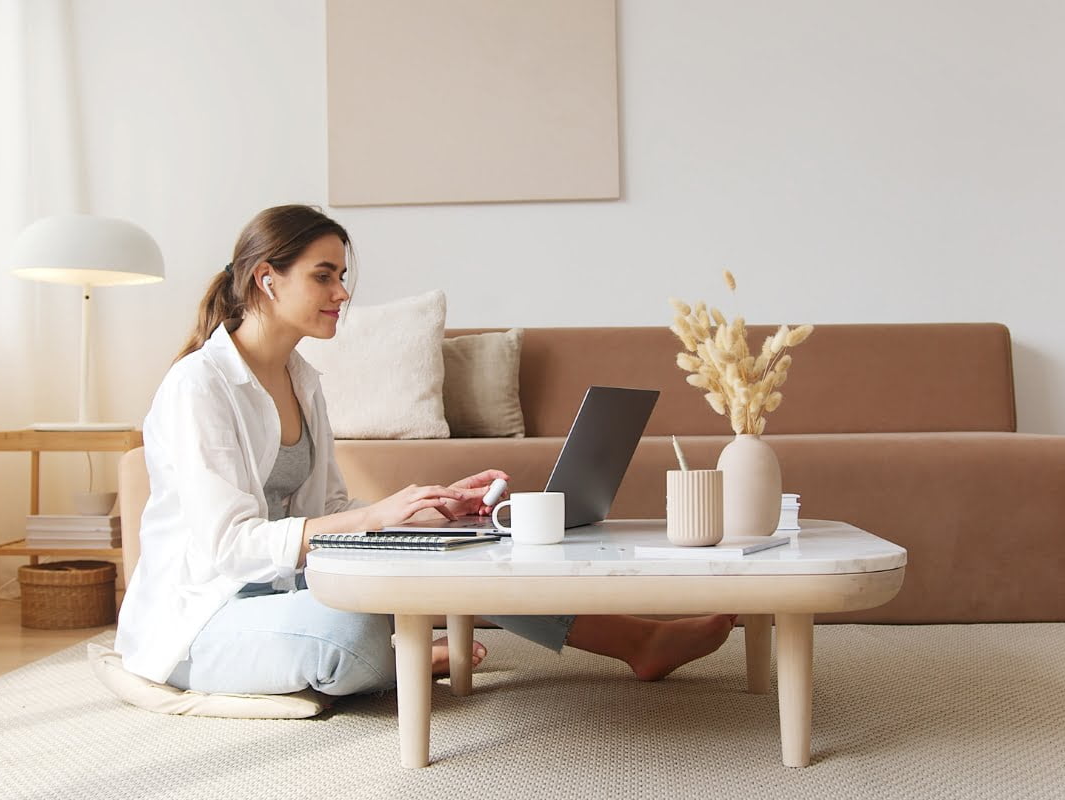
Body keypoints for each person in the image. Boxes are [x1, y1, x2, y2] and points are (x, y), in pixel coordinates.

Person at [115, 205, 736, 697]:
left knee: (467, 556)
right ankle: (403, 658)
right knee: (350, 630)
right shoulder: (200, 385)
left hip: (286, 587)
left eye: (342, 276)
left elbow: (329, 507)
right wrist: (374, 517)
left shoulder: (303, 379)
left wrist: (424, 513)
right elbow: (230, 547)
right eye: (323, 275)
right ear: (266, 278)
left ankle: (639, 640)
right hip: (204, 616)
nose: (342, 292)